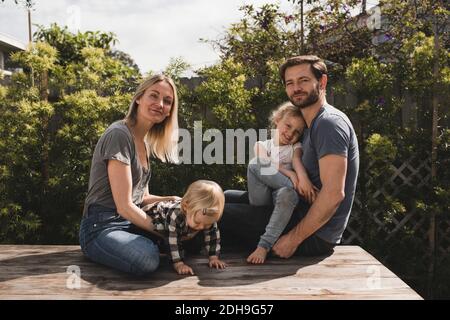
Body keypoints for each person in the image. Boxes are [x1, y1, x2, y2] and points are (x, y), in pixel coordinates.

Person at [220, 55, 359, 258]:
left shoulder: (329, 124)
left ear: (322, 82)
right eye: (290, 83)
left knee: (216, 212)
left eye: (303, 80)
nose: (296, 88)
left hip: (314, 235)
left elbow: (333, 195)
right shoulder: (308, 125)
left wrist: (292, 240)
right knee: (223, 197)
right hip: (295, 210)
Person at [79, 74, 181, 276]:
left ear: (170, 110)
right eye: (154, 96)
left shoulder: (143, 142)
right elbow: (124, 205)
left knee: (190, 236)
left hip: (130, 223)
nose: (160, 104)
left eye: (167, 101)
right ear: (138, 98)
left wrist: (175, 199)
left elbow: (141, 198)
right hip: (101, 227)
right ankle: (102, 249)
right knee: (146, 258)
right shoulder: (119, 134)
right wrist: (165, 231)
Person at [246, 102, 317, 264]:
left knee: (288, 193)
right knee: (256, 163)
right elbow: (265, 162)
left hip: (282, 196)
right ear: (277, 119)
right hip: (261, 197)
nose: (290, 133)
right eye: (288, 126)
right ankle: (299, 192)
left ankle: (263, 246)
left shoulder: (295, 147)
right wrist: (290, 174)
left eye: (297, 132)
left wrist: (302, 178)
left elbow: (297, 161)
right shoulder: (262, 145)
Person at [143, 179, 226, 275]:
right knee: (161, 242)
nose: (201, 227)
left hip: (181, 229)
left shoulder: (207, 216)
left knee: (195, 247)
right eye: (197, 222)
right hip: (153, 222)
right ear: (186, 207)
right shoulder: (175, 214)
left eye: (207, 224)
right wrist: (178, 263)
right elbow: (172, 241)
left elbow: (213, 236)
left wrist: (213, 257)